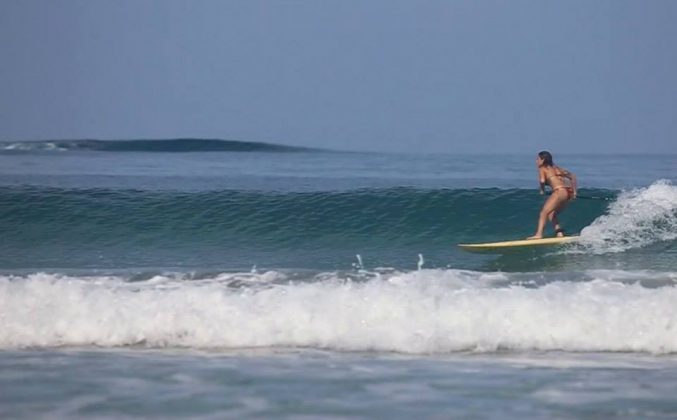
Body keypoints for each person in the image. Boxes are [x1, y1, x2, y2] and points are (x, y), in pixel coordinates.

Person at [527, 151, 577, 239]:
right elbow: (572, 176)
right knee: (552, 214)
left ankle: (538, 234)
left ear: (543, 160)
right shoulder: (557, 168)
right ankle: (559, 233)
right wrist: (574, 192)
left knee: (543, 213)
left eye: (538, 159)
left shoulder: (542, 168)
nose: (536, 161)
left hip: (558, 192)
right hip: (567, 192)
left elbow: (542, 180)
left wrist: (542, 190)